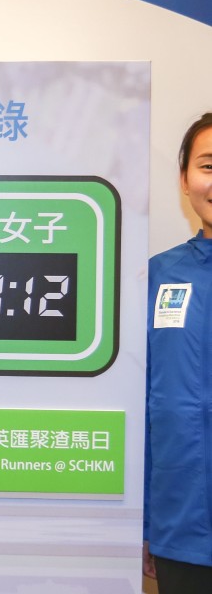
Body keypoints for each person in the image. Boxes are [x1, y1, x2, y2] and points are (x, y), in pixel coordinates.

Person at [145, 112, 212, 593]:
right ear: (184, 180)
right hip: (179, 528)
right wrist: (142, 521)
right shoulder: (157, 278)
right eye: (209, 165)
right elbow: (142, 405)